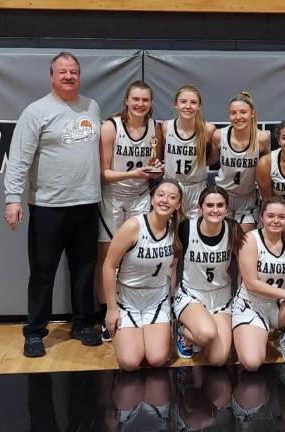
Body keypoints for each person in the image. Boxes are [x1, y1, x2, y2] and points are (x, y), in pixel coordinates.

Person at [4, 52, 102, 357]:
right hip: (48, 205)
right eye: (63, 72)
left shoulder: (92, 107)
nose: (69, 76)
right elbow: (19, 159)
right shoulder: (36, 112)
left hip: (87, 202)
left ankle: (83, 324)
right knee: (43, 272)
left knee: (84, 268)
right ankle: (35, 332)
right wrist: (12, 199)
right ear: (51, 76)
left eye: (74, 71)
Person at [97, 80, 164, 340]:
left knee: (138, 256)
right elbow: (103, 174)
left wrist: (155, 169)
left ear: (150, 103)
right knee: (107, 259)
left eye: (145, 100)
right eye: (135, 99)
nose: (140, 104)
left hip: (139, 196)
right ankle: (107, 314)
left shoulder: (155, 129)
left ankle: (136, 309)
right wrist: (133, 173)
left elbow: (155, 165)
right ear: (126, 100)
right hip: (113, 197)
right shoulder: (110, 128)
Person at [102, 180, 184, 370]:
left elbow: (175, 264)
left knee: (156, 359)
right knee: (130, 362)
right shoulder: (133, 226)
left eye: (172, 197)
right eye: (160, 195)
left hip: (157, 298)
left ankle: (172, 326)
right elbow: (108, 266)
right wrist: (111, 309)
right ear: (152, 198)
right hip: (128, 297)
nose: (165, 200)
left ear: (178, 204)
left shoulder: (177, 229)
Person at [232, 197, 285, 370]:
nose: (276, 220)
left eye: (281, 216)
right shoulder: (250, 239)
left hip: (277, 308)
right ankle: (250, 332)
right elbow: (250, 283)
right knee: (252, 363)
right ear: (261, 217)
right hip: (251, 305)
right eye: (270, 216)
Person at [172, 185, 246, 365]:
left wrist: (240, 298)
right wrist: (169, 298)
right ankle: (184, 332)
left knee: (219, 360)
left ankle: (198, 333)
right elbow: (173, 265)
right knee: (207, 333)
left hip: (221, 297)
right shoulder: (186, 228)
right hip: (192, 295)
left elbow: (244, 267)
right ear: (200, 208)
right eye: (210, 205)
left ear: (227, 209)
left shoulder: (233, 228)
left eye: (220, 205)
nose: (215, 210)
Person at [212, 92, 271, 232]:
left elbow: (266, 169)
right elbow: (211, 160)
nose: (238, 117)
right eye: (233, 113)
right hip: (222, 195)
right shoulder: (219, 135)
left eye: (243, 112)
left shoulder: (262, 138)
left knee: (243, 243)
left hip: (248, 199)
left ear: (252, 114)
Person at [162, 85, 217, 218]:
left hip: (197, 188)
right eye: (183, 101)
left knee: (194, 234)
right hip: (171, 187)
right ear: (176, 104)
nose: (188, 106)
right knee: (170, 232)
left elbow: (211, 159)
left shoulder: (208, 129)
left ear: (199, 106)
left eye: (193, 102)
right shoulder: (166, 126)